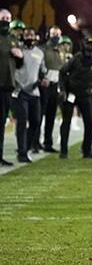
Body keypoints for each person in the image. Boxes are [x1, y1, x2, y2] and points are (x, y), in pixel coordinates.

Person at [58, 37, 92, 159]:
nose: (90, 48)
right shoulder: (76, 58)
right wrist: (62, 90)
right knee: (66, 122)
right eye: (88, 45)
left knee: (90, 123)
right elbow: (62, 71)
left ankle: (87, 150)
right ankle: (63, 150)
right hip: (71, 92)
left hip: (85, 94)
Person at [12, 27, 46, 163]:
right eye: (26, 35)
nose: (29, 38)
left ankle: (25, 148)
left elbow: (42, 70)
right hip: (20, 91)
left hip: (34, 91)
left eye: (31, 35)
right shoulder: (17, 50)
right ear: (23, 36)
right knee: (22, 121)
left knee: (36, 121)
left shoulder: (39, 53)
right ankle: (22, 153)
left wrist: (43, 79)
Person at [0, 9, 23, 166]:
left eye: (8, 18)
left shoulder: (13, 39)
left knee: (2, 122)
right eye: (3, 18)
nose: (6, 20)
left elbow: (19, 65)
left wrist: (19, 56)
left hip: (7, 85)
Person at [38, 25, 64, 153]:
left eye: (58, 34)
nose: (56, 37)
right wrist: (42, 78)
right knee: (39, 115)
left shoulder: (60, 50)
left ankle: (48, 143)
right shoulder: (42, 49)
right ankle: (34, 142)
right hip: (44, 86)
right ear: (49, 35)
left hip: (55, 86)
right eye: (54, 34)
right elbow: (37, 66)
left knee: (51, 115)